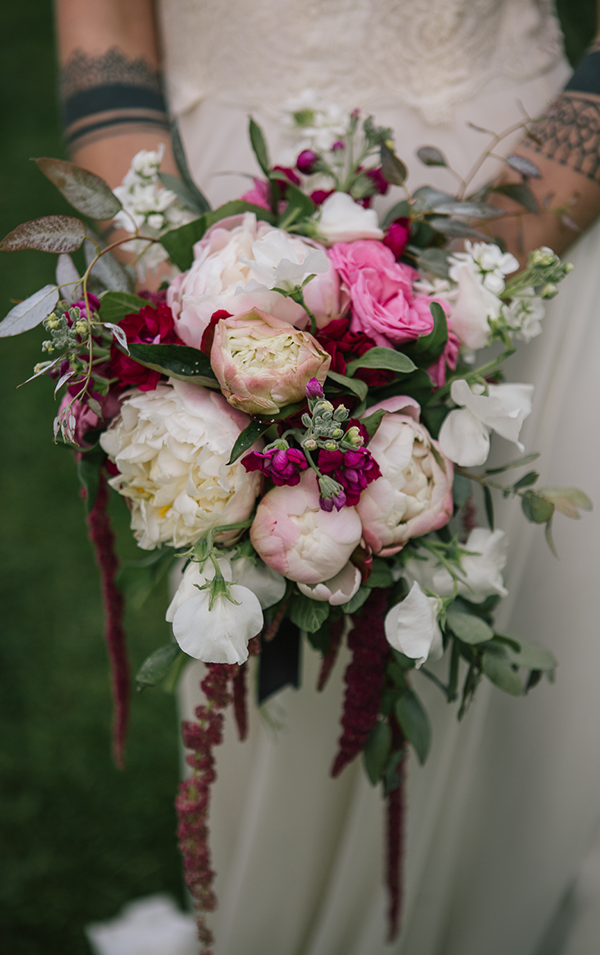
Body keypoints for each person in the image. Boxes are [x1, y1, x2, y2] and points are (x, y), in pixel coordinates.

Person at [54, 2, 600, 953]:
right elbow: (106, 38)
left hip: (529, 192)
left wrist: (481, 282)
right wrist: (186, 297)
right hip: (230, 216)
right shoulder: (205, 272)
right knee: (289, 703)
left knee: (539, 627)